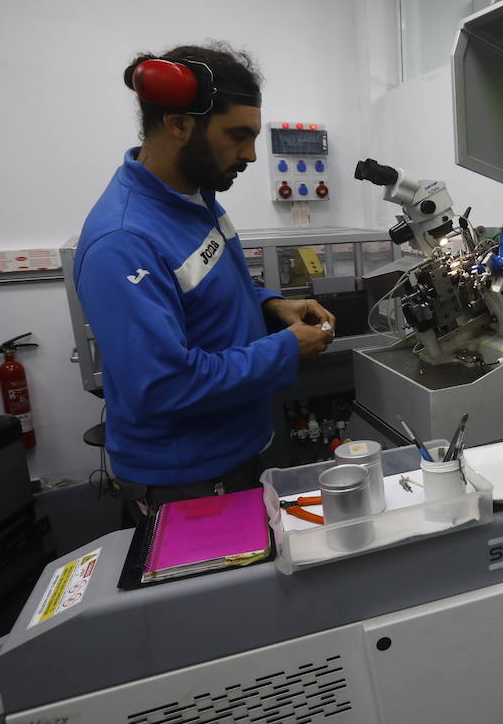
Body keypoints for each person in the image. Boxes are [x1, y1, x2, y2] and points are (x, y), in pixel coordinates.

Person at [75, 42, 333, 516]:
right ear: (179, 124)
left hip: (238, 451)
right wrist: (286, 349)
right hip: (187, 481)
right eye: (237, 135)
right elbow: (166, 385)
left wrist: (272, 306)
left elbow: (217, 289)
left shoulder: (197, 199)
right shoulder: (123, 240)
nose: (251, 155)